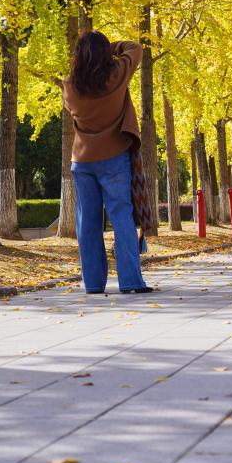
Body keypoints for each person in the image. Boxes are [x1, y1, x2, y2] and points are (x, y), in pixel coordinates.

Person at [62, 30, 153, 295]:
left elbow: (71, 110)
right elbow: (135, 48)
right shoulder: (116, 75)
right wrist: (108, 50)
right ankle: (130, 282)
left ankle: (92, 284)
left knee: (87, 223)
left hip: (82, 161)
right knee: (121, 217)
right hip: (114, 158)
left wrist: (87, 56)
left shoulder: (70, 86)